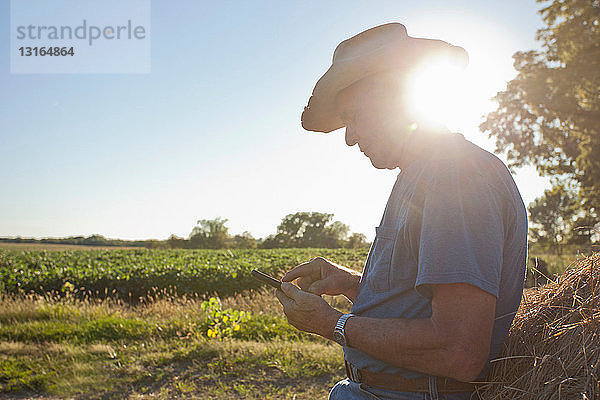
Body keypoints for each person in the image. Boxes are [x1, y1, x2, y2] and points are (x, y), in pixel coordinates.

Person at [274, 23, 528, 400]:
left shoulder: (454, 176)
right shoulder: (424, 173)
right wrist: (352, 284)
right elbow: (424, 304)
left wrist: (331, 324)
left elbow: (458, 350)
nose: (349, 137)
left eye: (353, 116)